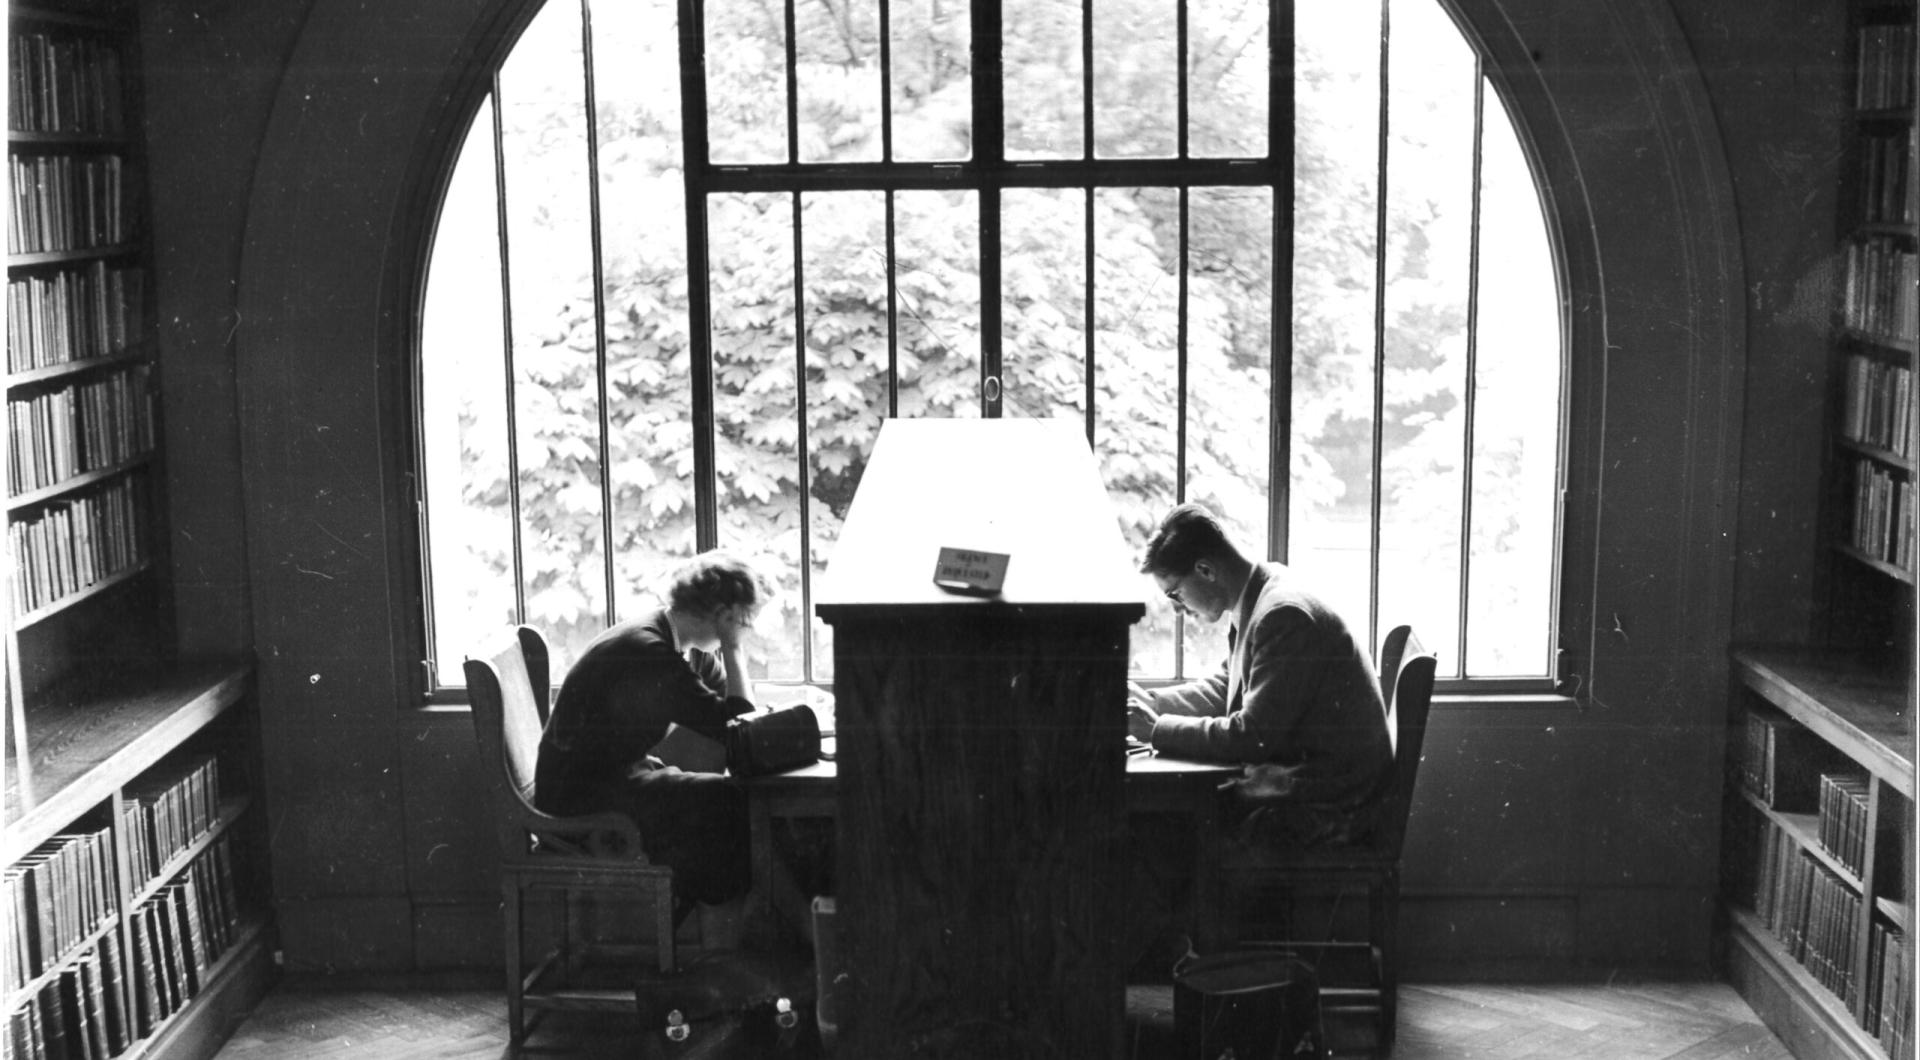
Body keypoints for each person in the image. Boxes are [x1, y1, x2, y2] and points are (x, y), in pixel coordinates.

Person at [1128, 503, 1393, 847]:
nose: (1178, 610)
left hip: (1333, 807)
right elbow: (1228, 685)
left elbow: (1251, 738)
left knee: (1167, 829)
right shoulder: (1261, 593)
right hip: (1309, 785)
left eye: (1175, 594)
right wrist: (1153, 702)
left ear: (1205, 570)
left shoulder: (1282, 615)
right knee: (1170, 823)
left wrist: (1156, 728)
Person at [534, 551, 772, 915]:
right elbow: (734, 725)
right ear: (724, 615)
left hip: (608, 777)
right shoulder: (649, 651)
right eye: (744, 621)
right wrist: (733, 645)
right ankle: (738, 930)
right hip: (579, 795)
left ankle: (734, 922)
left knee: (724, 800)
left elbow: (738, 715)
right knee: (731, 799)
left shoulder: (677, 639)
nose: (746, 629)